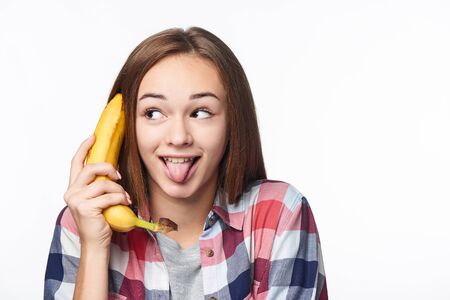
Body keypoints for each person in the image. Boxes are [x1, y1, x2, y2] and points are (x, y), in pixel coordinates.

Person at [44, 26, 328, 300]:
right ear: (127, 125)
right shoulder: (80, 223)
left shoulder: (279, 214)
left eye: (201, 112)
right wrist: (94, 248)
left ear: (233, 123)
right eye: (153, 113)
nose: (178, 137)